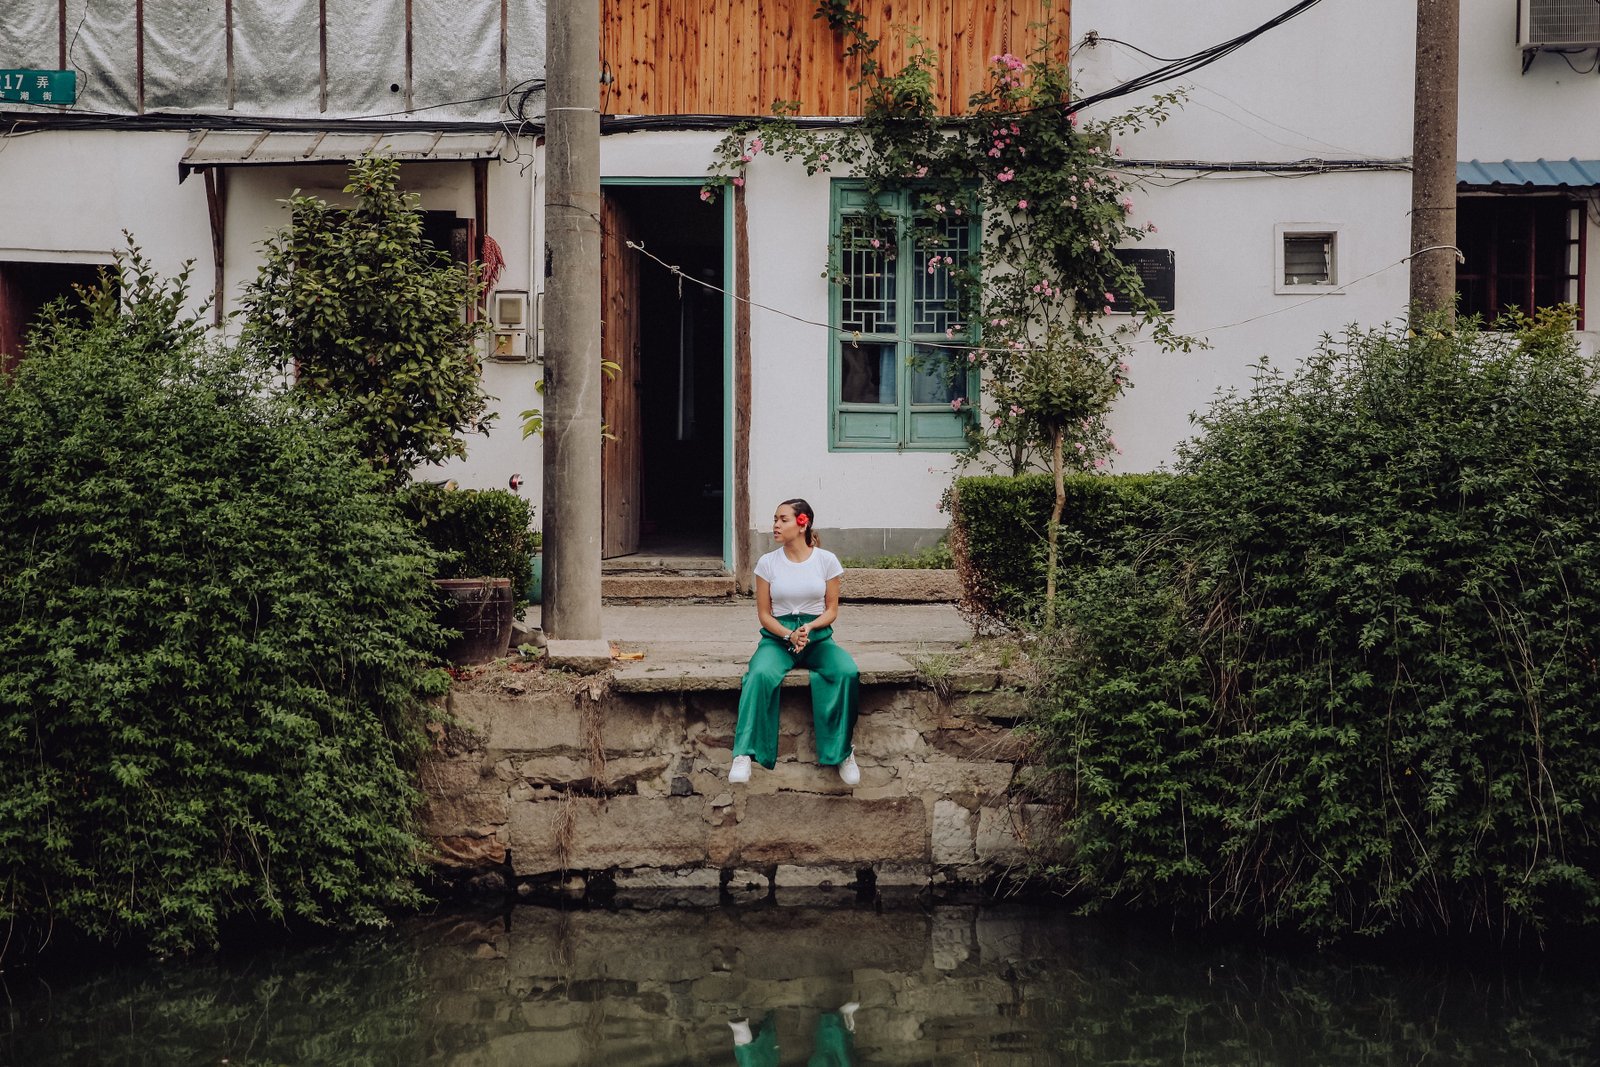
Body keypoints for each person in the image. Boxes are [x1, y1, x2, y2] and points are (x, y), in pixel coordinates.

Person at [729, 498, 861, 786]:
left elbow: (832, 610)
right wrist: (788, 634)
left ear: (803, 524)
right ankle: (743, 754)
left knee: (846, 671)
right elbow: (764, 615)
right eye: (775, 519)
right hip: (778, 639)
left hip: (818, 638)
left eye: (783, 519)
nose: (775, 525)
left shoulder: (826, 561)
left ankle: (842, 751)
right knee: (759, 674)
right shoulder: (767, 563)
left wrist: (809, 627)